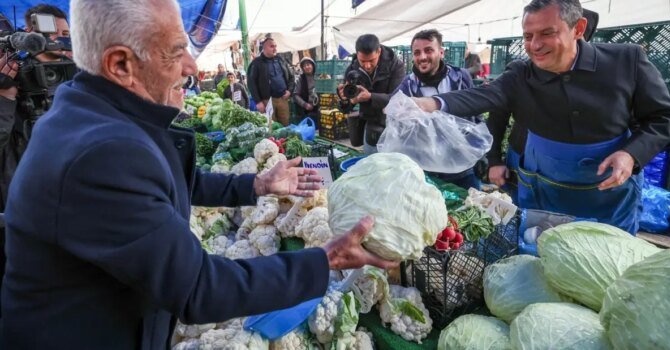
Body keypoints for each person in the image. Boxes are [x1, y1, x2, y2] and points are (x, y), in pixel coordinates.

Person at [0, 0, 398, 347]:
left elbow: (170, 182)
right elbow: (198, 288)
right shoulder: (101, 153)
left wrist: (257, 184)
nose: (192, 67)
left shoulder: (97, 114)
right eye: (176, 52)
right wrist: (325, 259)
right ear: (120, 64)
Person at [413, 0, 670, 234]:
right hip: (544, 188)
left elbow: (665, 117)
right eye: (528, 36)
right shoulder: (521, 73)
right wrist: (431, 103)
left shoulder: (626, 61)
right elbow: (486, 96)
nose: (535, 45)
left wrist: (632, 154)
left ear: (578, 28)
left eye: (547, 33)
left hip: (608, 192)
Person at [0, 3, 73, 317]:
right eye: (51, 35)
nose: (60, 42)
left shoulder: (79, 81)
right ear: (29, 36)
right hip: (20, 227)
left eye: (66, 36)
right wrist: (4, 99)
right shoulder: (8, 81)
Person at [486, 7, 600, 203]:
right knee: (525, 216)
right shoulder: (525, 73)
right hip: (522, 157)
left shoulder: (597, 73)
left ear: (579, 32)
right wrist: (494, 160)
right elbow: (497, 115)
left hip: (581, 168)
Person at [395, 29, 481, 189]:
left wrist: (480, 152)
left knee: (473, 207)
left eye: (429, 50)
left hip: (462, 166)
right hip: (427, 168)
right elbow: (394, 113)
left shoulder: (461, 77)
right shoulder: (408, 85)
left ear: (441, 52)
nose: (422, 57)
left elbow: (476, 116)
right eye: (417, 52)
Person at [338, 34, 405, 154]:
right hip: (371, 127)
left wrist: (370, 97)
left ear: (379, 51)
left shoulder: (396, 66)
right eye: (363, 61)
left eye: (371, 60)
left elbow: (398, 99)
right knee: (371, 163)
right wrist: (345, 99)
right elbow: (345, 108)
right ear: (357, 54)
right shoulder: (352, 70)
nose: (367, 65)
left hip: (394, 126)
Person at [247, 37, 295, 125]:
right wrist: (258, 102)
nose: (275, 48)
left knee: (285, 125)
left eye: (275, 46)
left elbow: (291, 77)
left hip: (283, 99)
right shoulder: (257, 63)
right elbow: (251, 83)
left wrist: (289, 91)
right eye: (272, 46)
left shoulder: (280, 60)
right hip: (267, 101)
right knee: (271, 127)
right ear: (264, 48)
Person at [294, 57, 320, 129]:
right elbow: (296, 95)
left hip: (319, 107)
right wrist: (305, 104)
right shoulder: (300, 79)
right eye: (304, 66)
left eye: (308, 64)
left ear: (313, 65)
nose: (306, 67)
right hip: (307, 109)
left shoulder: (319, 76)